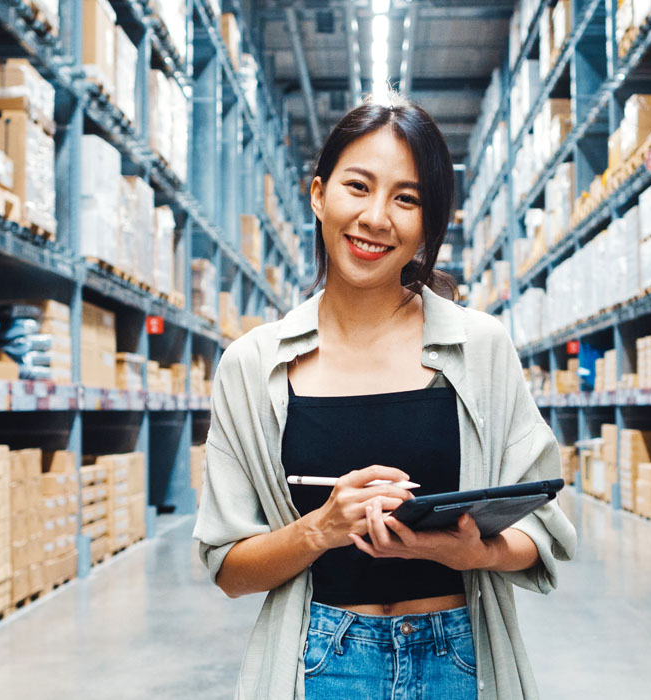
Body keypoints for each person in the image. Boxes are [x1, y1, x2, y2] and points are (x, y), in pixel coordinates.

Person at [193, 91, 578, 700]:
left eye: (407, 198)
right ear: (318, 194)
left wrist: (477, 553)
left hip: (459, 657)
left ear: (428, 223)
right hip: (319, 662)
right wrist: (321, 528)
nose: (377, 217)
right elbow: (230, 569)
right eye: (358, 186)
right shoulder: (253, 366)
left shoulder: (480, 347)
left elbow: (545, 530)